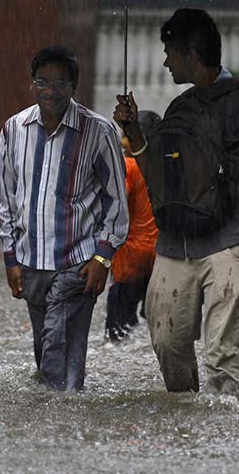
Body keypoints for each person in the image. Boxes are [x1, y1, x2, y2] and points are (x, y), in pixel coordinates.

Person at [113, 8, 239, 397]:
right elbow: (158, 177)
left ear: (191, 55)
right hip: (175, 244)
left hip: (228, 241)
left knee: (223, 355)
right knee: (167, 341)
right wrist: (133, 130)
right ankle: (188, 426)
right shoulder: (179, 107)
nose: (164, 61)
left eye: (170, 52)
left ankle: (222, 438)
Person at [0, 46, 128, 391]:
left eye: (60, 83)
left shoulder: (99, 132)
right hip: (30, 262)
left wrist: (103, 257)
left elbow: (117, 202)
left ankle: (57, 421)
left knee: (59, 350)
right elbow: (7, 201)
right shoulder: (13, 129)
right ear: (32, 84)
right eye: (43, 82)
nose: (51, 91)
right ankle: (58, 418)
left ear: (73, 86)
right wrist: (11, 258)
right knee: (47, 350)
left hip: (78, 262)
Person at [105, 110, 161, 341]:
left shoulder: (128, 165)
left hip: (129, 258)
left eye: (126, 136)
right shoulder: (161, 166)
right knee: (154, 325)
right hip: (159, 257)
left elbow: (118, 205)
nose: (121, 141)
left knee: (118, 333)